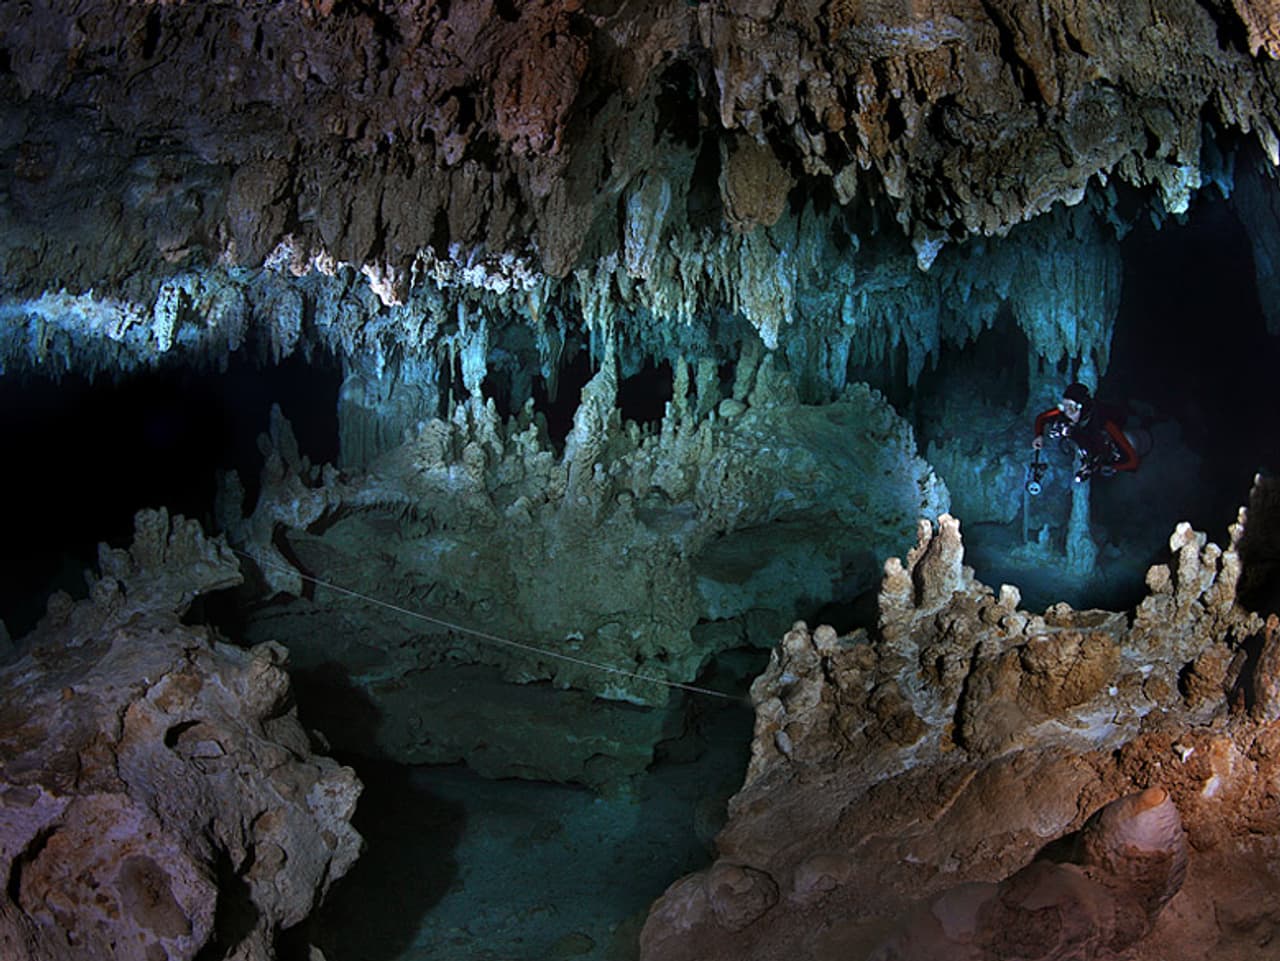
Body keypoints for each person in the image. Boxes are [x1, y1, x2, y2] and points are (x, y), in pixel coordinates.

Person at [1032, 382, 1139, 483]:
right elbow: (1041, 418)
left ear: (1082, 407)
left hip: (1114, 440)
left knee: (1131, 439)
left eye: (1071, 408)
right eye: (1064, 406)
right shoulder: (1063, 413)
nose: (1068, 413)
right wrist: (1039, 436)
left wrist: (1110, 467)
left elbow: (1133, 461)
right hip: (1087, 442)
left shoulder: (1104, 423)